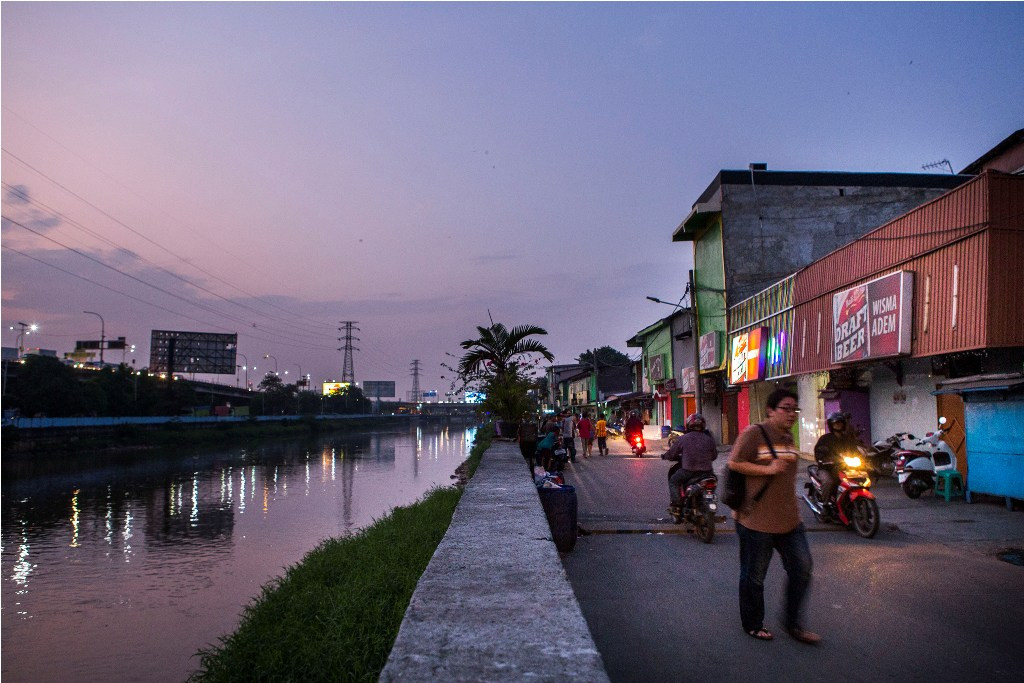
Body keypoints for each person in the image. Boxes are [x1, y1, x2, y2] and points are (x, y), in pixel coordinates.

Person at [727, 388, 820, 645]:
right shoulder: (754, 433)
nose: (791, 414)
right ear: (770, 410)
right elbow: (734, 463)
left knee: (802, 569)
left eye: (795, 409)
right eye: (786, 408)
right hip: (756, 521)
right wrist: (767, 469)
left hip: (789, 521)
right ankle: (753, 624)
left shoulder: (788, 438)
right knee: (754, 577)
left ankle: (793, 624)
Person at [662, 413, 718, 517]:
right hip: (707, 472)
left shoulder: (683, 438)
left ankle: (677, 506)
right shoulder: (709, 439)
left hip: (688, 471)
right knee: (713, 483)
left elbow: (672, 453)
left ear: (688, 425)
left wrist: (665, 456)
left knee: (674, 481)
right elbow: (714, 456)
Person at [813, 412, 858, 518]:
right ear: (831, 425)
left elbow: (855, 451)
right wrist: (825, 460)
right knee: (829, 482)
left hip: (845, 467)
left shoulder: (848, 439)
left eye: (840, 423)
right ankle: (825, 506)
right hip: (827, 468)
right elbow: (819, 452)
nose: (838, 425)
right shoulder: (825, 439)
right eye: (836, 423)